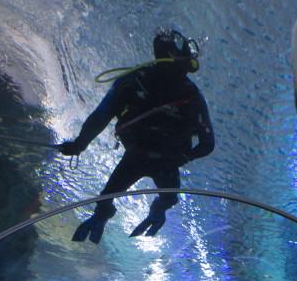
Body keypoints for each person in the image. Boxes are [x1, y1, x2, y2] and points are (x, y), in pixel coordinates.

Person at [61, 29, 215, 243]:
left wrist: (80, 144)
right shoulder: (189, 95)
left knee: (109, 198)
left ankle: (106, 215)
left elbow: (101, 116)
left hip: (139, 156)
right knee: (168, 197)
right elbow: (207, 144)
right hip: (164, 161)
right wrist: (183, 158)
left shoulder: (134, 81)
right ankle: (136, 211)